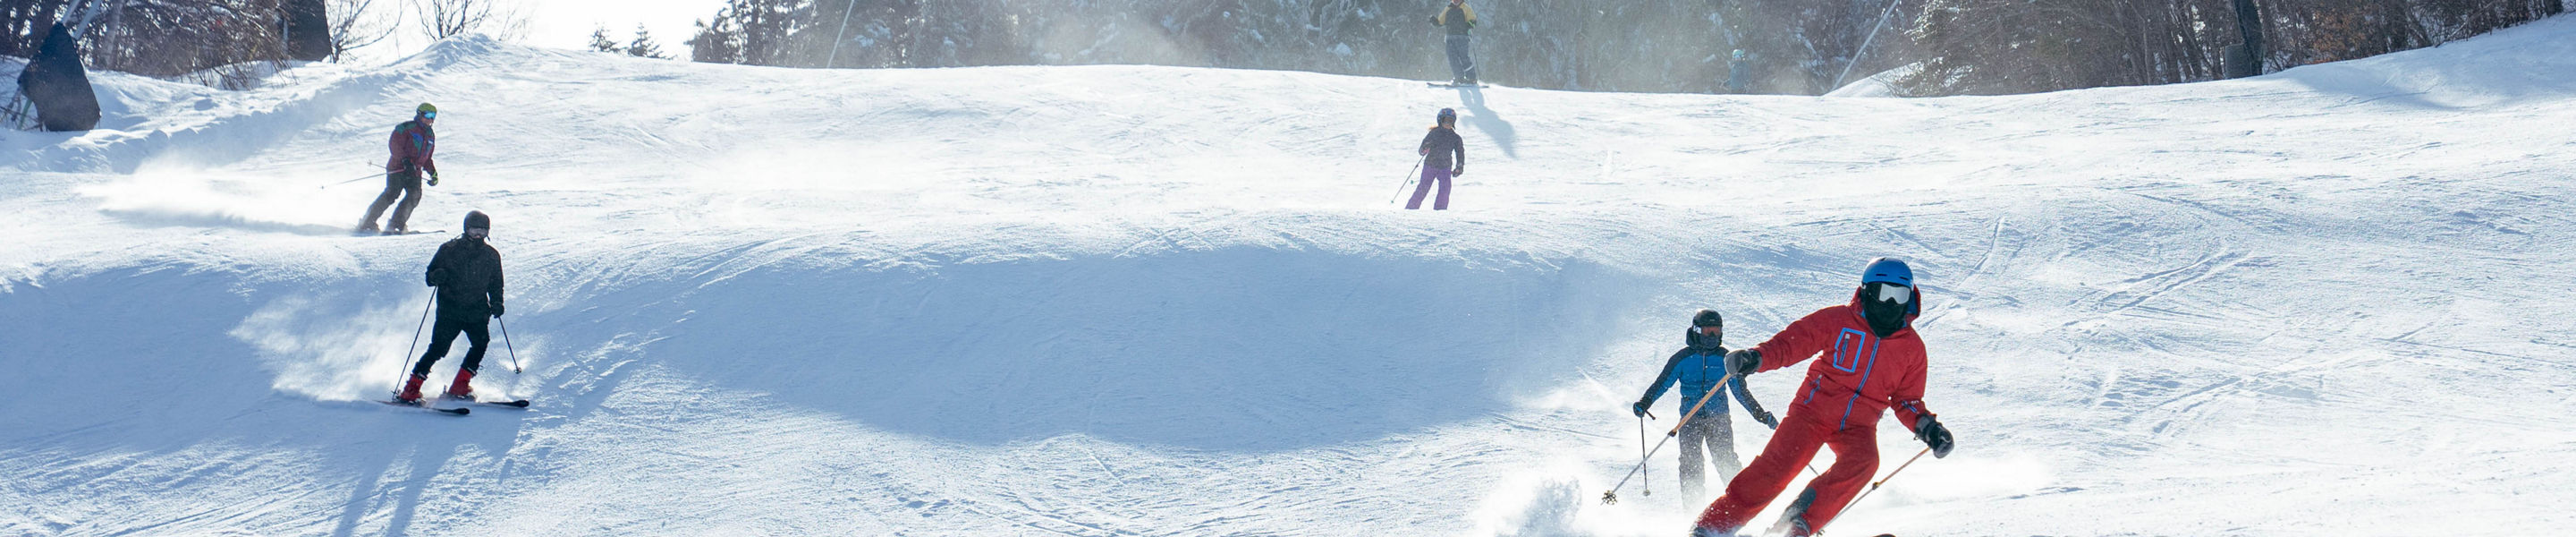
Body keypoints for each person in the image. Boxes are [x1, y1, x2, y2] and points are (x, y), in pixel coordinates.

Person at [1690, 258, 1956, 537]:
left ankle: (1795, 525)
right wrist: (1756, 358)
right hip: (1812, 412)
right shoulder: (1838, 320)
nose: (1889, 304)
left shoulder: (1912, 349)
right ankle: (1713, 527)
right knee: (1775, 470)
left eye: (1898, 295)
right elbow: (1793, 343)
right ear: (1866, 292)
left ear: (1910, 297)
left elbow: (1906, 399)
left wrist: (1928, 427)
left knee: (1865, 461)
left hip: (1858, 426)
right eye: (1883, 293)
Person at [1632, 309, 1779, 499]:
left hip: (1719, 419)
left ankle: (1743, 503)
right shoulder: (1682, 359)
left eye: (1717, 331)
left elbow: (1740, 392)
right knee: (1690, 465)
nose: (1712, 336)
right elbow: (1663, 383)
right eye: (1708, 331)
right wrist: (1645, 403)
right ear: (1697, 331)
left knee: (1726, 462)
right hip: (1689, 420)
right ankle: (1693, 509)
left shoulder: (1726, 359)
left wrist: (1760, 414)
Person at [396, 211, 504, 405]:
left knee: (480, 344)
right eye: (474, 230)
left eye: (482, 230)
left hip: (478, 311)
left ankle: (460, 385)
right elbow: (430, 276)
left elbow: (496, 283)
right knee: (439, 348)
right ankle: (411, 389)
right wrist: (436, 276)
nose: (478, 235)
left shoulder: (491, 255)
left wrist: (497, 302)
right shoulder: (449, 249)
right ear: (466, 229)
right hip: (450, 310)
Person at [359, 103, 441, 234]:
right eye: (428, 115)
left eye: (433, 116)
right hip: (398, 168)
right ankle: (367, 222)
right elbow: (394, 145)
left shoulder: (430, 135)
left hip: (415, 172)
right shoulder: (406, 128)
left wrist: (433, 173)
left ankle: (396, 224)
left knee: (415, 196)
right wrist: (405, 160)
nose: (430, 119)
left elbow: (427, 157)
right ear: (419, 114)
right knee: (392, 193)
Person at [1411, 108, 1464, 210]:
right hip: (1430, 165)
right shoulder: (1434, 133)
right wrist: (1425, 147)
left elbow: (1460, 153)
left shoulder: (1455, 138)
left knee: (1445, 189)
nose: (1448, 123)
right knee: (1423, 188)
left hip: (1445, 167)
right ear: (1440, 120)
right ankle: (1411, 209)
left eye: (1451, 121)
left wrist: (1460, 166)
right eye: (1446, 120)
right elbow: (1421, 151)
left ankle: (1440, 212)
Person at [1429, 0, 1478, 85]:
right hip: (1450, 37)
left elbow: (1473, 22)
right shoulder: (1448, 9)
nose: (1456, 1)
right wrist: (1435, 21)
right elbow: (1441, 22)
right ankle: (1459, 77)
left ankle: (1471, 77)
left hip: (1462, 37)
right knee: (1452, 58)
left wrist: (1467, 26)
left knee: (1463, 57)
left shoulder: (1466, 8)